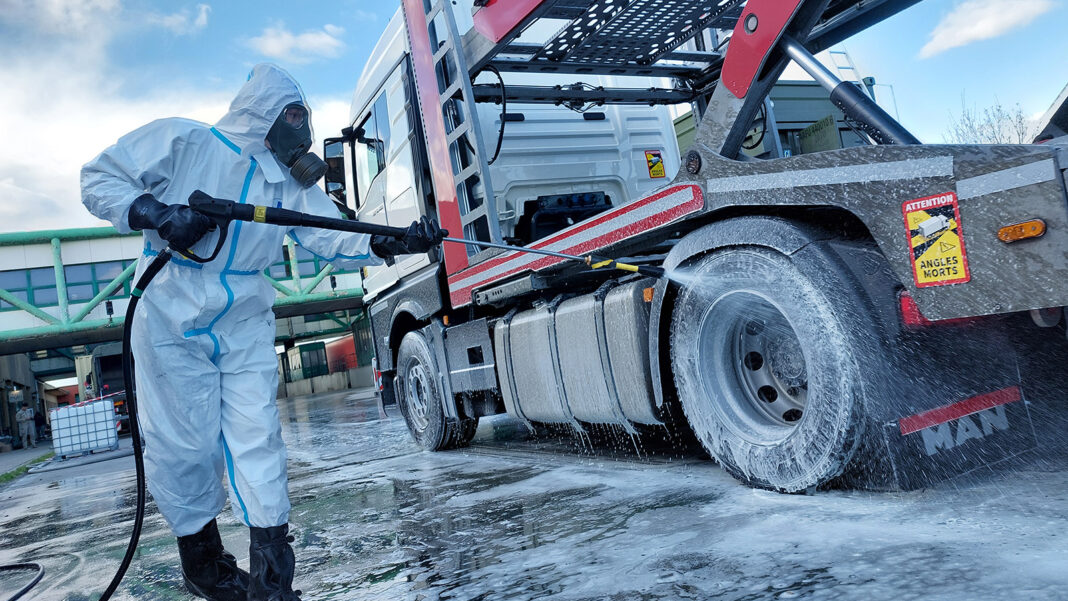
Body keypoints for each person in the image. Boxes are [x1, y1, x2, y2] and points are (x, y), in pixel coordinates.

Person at [81, 63, 443, 601]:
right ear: (263, 114)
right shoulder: (184, 141)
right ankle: (204, 566)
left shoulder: (286, 182)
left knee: (259, 438)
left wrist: (391, 242)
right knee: (186, 446)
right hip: (169, 316)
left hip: (245, 319)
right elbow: (98, 178)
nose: (302, 127)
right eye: (294, 114)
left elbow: (334, 232)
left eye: (305, 116)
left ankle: (273, 581)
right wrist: (154, 213)